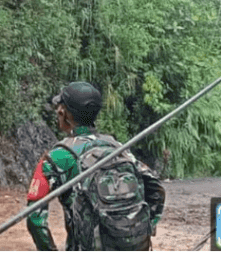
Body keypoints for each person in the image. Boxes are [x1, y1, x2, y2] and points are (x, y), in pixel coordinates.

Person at [25, 81, 166, 251]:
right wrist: (145, 229)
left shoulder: (56, 157)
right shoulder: (117, 148)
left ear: (63, 112)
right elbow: (156, 188)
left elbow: (34, 218)